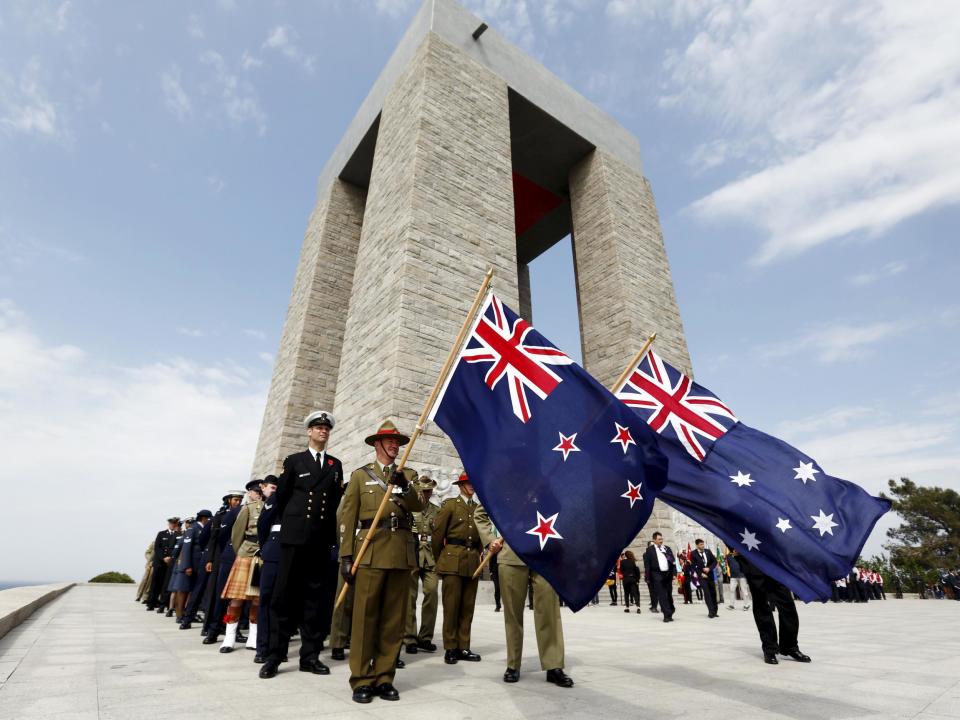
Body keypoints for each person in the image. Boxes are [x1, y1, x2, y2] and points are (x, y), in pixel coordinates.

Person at [338, 420, 423, 704]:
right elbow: (347, 519)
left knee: (393, 620)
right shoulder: (361, 476)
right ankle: (361, 678)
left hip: (400, 552)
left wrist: (404, 486)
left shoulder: (408, 473)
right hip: (370, 552)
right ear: (377, 444)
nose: (394, 445)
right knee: (365, 617)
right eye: (388, 441)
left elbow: (418, 504)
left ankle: (385, 676)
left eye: (397, 442)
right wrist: (346, 556)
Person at [260, 410, 344, 680]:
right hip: (295, 539)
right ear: (309, 431)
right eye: (318, 427)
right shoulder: (294, 461)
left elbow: (332, 503)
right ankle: (274, 655)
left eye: (326, 428)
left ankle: (310, 656)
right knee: (284, 597)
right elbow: (282, 499)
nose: (323, 431)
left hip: (319, 541)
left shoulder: (334, 465)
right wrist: (294, 526)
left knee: (315, 600)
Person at [474, 500, 573, 688]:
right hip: (511, 553)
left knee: (549, 611)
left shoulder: (546, 482)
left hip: (543, 551)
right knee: (512, 613)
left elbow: (559, 508)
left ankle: (554, 665)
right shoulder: (502, 484)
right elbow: (480, 513)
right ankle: (513, 664)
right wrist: (489, 539)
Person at [432, 472, 482, 665]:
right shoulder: (450, 505)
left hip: (472, 562)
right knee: (451, 607)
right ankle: (451, 647)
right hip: (451, 560)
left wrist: (478, 555)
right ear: (460, 485)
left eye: (472, 482)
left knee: (467, 607)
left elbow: (480, 537)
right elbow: (437, 535)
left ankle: (464, 646)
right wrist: (441, 560)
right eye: (467, 483)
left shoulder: (478, 509)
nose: (471, 486)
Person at [735, 550, 811, 665]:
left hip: (774, 560)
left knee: (787, 605)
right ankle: (769, 649)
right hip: (753, 561)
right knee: (762, 607)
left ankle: (790, 646)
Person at [220, 479, 265, 654]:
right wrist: (241, 552)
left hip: (261, 557)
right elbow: (237, 534)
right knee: (236, 599)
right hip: (246, 555)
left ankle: (253, 637)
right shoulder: (248, 509)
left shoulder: (271, 508)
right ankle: (229, 637)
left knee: (257, 600)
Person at [404, 474, 439, 655]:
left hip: (431, 557)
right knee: (409, 597)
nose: (427, 493)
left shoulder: (436, 510)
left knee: (432, 593)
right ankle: (409, 637)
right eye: (425, 490)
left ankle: (425, 637)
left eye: (430, 490)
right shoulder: (411, 508)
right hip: (413, 554)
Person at [253, 476, 280, 663]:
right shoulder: (276, 498)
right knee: (267, 601)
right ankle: (263, 648)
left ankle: (280, 647)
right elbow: (263, 524)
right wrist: (265, 548)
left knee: (285, 602)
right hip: (275, 550)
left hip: (294, 553)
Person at [169, 509, 212, 623]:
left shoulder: (202, 529)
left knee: (192, 591)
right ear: (204, 519)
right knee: (183, 590)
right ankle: (179, 615)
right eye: (209, 519)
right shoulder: (193, 529)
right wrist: (187, 566)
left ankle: (188, 613)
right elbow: (186, 548)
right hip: (190, 565)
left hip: (199, 565)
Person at [146, 517, 179, 611]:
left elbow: (176, 548)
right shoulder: (161, 534)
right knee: (155, 583)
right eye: (171, 523)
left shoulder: (178, 534)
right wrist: (164, 558)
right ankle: (151, 603)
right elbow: (157, 548)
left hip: (170, 563)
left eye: (174, 523)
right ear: (168, 524)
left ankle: (163, 604)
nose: (172, 525)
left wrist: (170, 557)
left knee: (166, 584)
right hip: (160, 562)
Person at [643, 532, 675, 623]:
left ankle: (670, 611)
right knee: (661, 595)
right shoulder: (650, 550)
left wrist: (674, 574)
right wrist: (648, 577)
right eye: (659, 539)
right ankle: (666, 615)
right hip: (656, 574)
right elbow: (647, 565)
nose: (661, 540)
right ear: (654, 540)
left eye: (661, 539)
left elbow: (673, 562)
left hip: (667, 575)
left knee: (668, 594)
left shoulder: (667, 548)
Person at [691, 539, 719, 618]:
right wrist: (701, 573)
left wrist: (709, 568)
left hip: (710, 576)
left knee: (713, 593)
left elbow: (715, 561)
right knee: (707, 593)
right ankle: (710, 611)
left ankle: (715, 611)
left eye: (703, 544)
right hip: (702, 577)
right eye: (700, 544)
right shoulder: (693, 554)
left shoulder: (708, 551)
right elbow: (693, 566)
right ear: (697, 545)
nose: (702, 546)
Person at [643, 540, 658, 613]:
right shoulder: (645, 554)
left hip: (657, 575)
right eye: (651, 545)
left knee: (656, 591)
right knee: (651, 592)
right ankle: (653, 606)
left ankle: (655, 606)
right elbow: (646, 566)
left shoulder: (657, 553)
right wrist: (647, 577)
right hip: (649, 575)